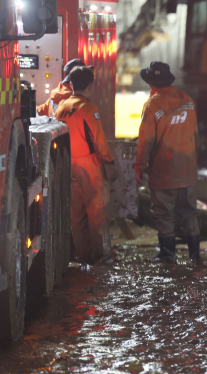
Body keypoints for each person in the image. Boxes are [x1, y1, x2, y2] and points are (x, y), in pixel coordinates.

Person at [134, 61, 201, 264]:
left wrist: (139, 166)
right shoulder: (187, 100)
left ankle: (167, 254)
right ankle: (195, 256)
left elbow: (146, 141)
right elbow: (195, 136)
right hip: (187, 169)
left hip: (164, 170)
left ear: (150, 83)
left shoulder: (153, 105)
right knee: (189, 213)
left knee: (164, 214)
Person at [55, 66, 116, 263]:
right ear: (90, 85)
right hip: (89, 165)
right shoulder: (88, 108)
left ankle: (82, 254)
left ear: (71, 84)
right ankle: (102, 254)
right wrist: (110, 161)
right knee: (98, 211)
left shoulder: (62, 108)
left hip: (68, 164)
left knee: (76, 213)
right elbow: (98, 140)